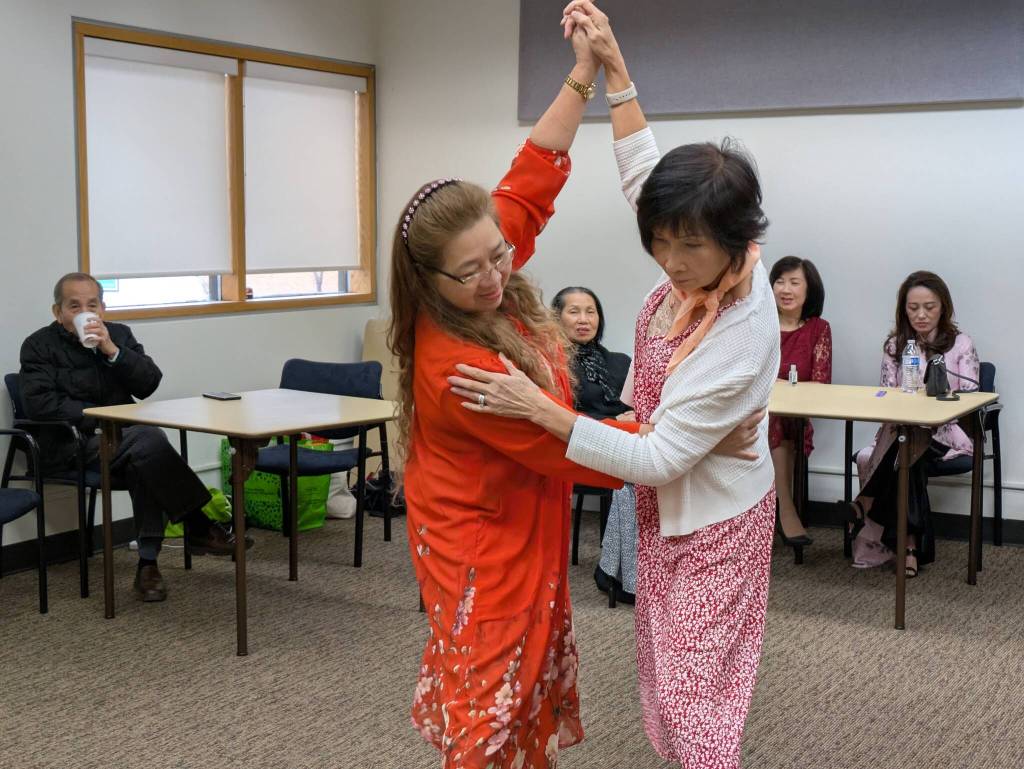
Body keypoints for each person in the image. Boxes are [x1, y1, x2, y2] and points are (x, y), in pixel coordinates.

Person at [448, 4, 779, 766]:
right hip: (668, 504)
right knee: (665, 676)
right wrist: (615, 70)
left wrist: (543, 410)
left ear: (738, 242)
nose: (670, 260)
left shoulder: (740, 328)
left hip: (715, 518)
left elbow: (661, 458)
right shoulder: (692, 265)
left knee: (698, 692)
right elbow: (644, 178)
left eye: (689, 247)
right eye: (660, 243)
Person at [19, 273, 251, 602]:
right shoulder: (38, 345)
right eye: (74, 306)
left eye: (92, 305)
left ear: (102, 308)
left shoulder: (120, 335)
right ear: (58, 312)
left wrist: (112, 350)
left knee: (145, 455)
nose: (84, 311)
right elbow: (39, 404)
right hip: (71, 443)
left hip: (125, 442)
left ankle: (148, 563)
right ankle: (197, 526)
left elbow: (148, 383)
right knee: (148, 441)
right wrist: (100, 417)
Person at [847, 271, 979, 577]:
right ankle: (909, 548)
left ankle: (866, 503)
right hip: (901, 432)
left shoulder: (960, 344)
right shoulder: (896, 346)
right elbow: (887, 396)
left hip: (946, 434)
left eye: (929, 307)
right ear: (903, 309)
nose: (921, 315)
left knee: (909, 447)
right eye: (913, 307)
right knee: (907, 452)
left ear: (943, 307)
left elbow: (972, 397)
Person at [552, 286, 637, 602]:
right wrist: (614, 425)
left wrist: (633, 414)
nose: (584, 319)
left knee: (659, 468)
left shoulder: (619, 361)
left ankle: (630, 568)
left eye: (591, 311)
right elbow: (562, 417)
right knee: (633, 479)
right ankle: (621, 574)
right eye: (574, 311)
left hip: (625, 442)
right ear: (556, 318)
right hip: (581, 445)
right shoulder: (554, 365)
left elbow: (640, 402)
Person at [768, 256, 832, 548]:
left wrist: (779, 385)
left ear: (809, 290)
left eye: (794, 282)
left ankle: (784, 509)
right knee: (771, 419)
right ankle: (785, 509)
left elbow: (820, 384)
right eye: (779, 282)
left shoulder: (818, 329)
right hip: (755, 416)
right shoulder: (761, 325)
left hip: (795, 418)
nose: (785, 289)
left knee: (780, 421)